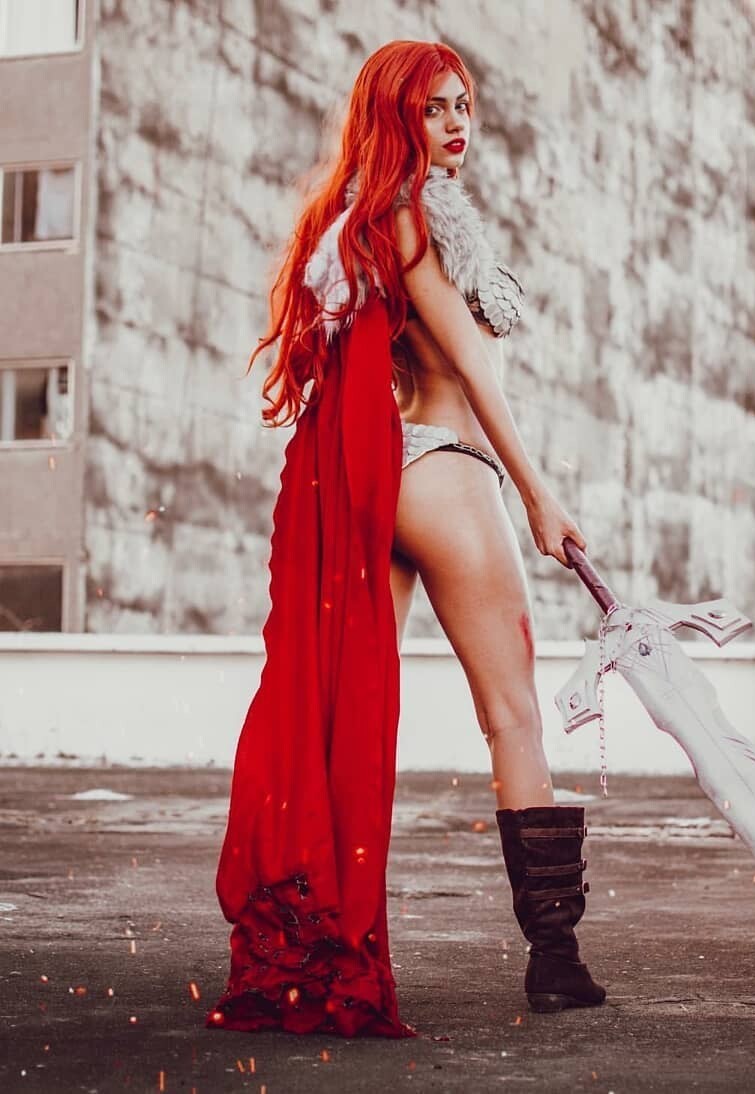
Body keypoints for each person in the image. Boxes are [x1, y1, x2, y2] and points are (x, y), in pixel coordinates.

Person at [206, 40, 605, 1039]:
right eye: (434, 108)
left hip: (382, 480)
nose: (457, 123)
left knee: (351, 718)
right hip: (444, 470)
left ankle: (320, 938)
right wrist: (540, 493)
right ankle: (557, 962)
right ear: (396, 116)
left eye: (463, 104)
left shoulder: (361, 218)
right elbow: (470, 364)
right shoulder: (410, 214)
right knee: (512, 713)